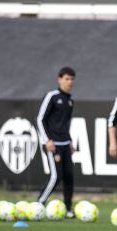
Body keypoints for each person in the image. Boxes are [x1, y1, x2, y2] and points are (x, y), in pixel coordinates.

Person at [37, 67, 76, 218]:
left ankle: (68, 209)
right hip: (52, 145)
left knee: (69, 176)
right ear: (59, 79)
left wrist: (70, 141)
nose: (69, 82)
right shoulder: (51, 96)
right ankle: (39, 204)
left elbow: (65, 124)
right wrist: (47, 140)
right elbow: (40, 119)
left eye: (72, 79)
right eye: (66, 79)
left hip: (65, 143)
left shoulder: (70, 100)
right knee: (56, 176)